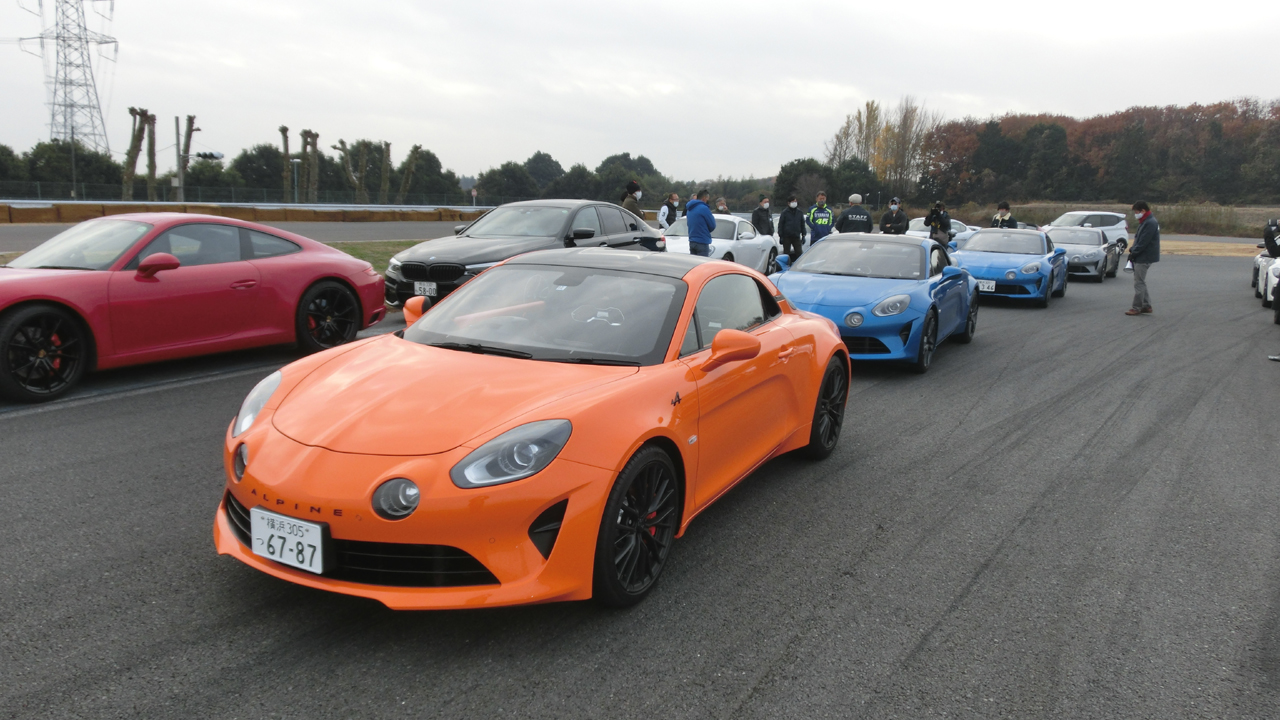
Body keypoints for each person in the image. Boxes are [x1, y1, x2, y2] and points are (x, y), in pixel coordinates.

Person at [1125, 201, 1159, 316]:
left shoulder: (1150, 223)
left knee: (1138, 282)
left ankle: (1137, 307)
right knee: (1141, 281)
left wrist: (1134, 252)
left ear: (1143, 210)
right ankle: (1146, 305)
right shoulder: (1146, 221)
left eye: (1136, 212)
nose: (1136, 214)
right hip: (1142, 255)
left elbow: (1144, 241)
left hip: (1144, 256)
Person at [685, 189, 716, 257]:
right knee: (703, 262)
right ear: (704, 198)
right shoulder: (704, 208)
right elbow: (712, 225)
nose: (708, 200)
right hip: (702, 241)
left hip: (692, 240)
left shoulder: (689, 208)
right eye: (707, 198)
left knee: (694, 262)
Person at [778, 195, 806, 263]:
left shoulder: (799, 212)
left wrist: (803, 235)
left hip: (796, 236)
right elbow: (781, 224)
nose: (794, 203)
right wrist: (781, 236)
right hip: (787, 236)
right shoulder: (785, 213)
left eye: (795, 201)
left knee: (799, 253)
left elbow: (802, 224)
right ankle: (785, 265)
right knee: (786, 254)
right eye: (793, 202)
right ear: (788, 203)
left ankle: (799, 265)